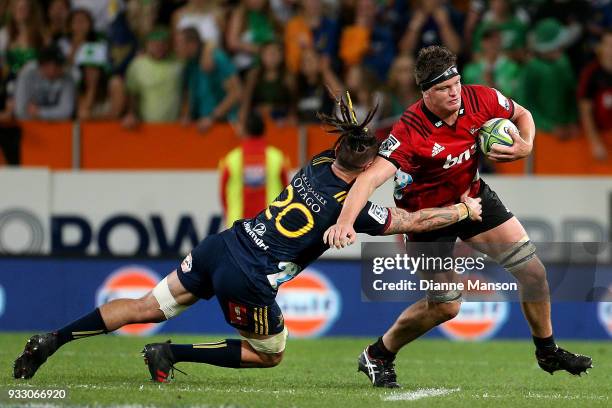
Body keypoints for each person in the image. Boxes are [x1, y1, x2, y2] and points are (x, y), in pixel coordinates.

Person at [13, 94, 482, 382]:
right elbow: (410, 223)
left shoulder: (317, 164)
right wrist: (463, 209)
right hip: (251, 274)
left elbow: (351, 147)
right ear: (367, 168)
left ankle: (54, 338)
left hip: (222, 245)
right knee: (270, 354)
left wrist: (361, 135)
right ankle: (169, 352)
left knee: (144, 305)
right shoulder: (352, 206)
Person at [324, 45, 593, 388]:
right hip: (428, 216)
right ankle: (378, 354)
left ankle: (547, 351)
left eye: (456, 84)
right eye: (443, 89)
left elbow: (523, 114)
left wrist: (526, 145)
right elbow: (368, 178)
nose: (454, 94)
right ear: (425, 93)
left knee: (534, 273)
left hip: (473, 198)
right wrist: (346, 222)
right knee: (446, 306)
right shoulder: (410, 131)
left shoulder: (480, 99)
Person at [219, 111, 289, 228]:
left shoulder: (231, 159)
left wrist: (230, 215)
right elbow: (288, 193)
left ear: (245, 131)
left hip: (237, 228)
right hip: (271, 226)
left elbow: (223, 195)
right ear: (264, 131)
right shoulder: (277, 157)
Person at [14, 44, 75, 120]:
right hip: (29, 126)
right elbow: (20, 111)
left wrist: (40, 112)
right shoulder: (27, 74)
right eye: (55, 65)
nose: (60, 69)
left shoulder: (67, 77)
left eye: (60, 65)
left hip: (57, 128)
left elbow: (66, 112)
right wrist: (52, 113)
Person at [577, 29, 612, 161]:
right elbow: (586, 111)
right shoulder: (591, 73)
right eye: (609, 45)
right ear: (601, 48)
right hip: (601, 135)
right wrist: (595, 142)